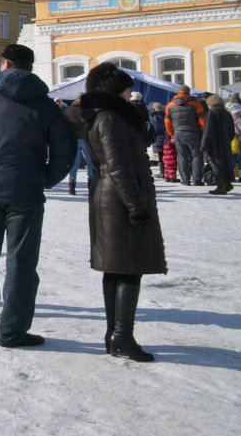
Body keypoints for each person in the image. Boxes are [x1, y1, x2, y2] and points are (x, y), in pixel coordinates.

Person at [0, 44, 75, 348]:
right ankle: (12, 330)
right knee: (21, 262)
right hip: (26, 192)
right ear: (30, 68)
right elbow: (65, 150)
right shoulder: (46, 106)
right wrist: (45, 178)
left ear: (5, 64)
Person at [80, 63, 167, 362]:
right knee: (129, 267)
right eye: (127, 89)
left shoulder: (108, 116)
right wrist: (136, 206)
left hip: (111, 195)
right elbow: (119, 165)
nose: (131, 94)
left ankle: (115, 335)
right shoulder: (110, 118)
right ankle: (122, 336)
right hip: (118, 198)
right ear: (116, 91)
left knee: (117, 267)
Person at [164, 85, 206, 185]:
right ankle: (197, 179)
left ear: (178, 92)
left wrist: (172, 134)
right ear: (188, 92)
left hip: (178, 133)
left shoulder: (169, 105)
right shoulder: (196, 104)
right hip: (193, 133)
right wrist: (203, 132)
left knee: (182, 156)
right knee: (197, 155)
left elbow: (167, 122)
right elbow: (202, 121)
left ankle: (185, 179)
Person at [202, 95, 236, 194]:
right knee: (226, 164)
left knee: (217, 166)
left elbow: (207, 131)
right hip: (225, 143)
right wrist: (227, 140)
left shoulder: (211, 113)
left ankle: (222, 186)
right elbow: (232, 132)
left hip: (214, 144)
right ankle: (227, 183)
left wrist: (204, 145)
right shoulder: (227, 113)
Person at [64, 99, 93, 195]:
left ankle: (72, 183)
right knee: (90, 163)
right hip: (86, 139)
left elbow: (65, 124)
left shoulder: (69, 111)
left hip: (74, 140)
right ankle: (91, 183)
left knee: (74, 164)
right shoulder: (88, 111)